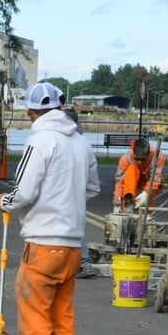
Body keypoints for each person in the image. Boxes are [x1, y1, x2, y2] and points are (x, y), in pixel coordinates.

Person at [0, 82, 100, 335]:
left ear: (29, 111)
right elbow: (93, 187)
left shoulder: (39, 141)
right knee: (62, 317)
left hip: (43, 243)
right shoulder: (81, 143)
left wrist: (3, 202)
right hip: (71, 246)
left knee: (35, 319)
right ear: (60, 106)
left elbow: (23, 192)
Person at [59, 93, 99, 279]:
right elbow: (93, 186)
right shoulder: (83, 144)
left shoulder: (54, 141)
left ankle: (78, 262)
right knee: (75, 228)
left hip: (61, 194)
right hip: (74, 195)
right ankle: (82, 263)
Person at [113, 136, 166, 213]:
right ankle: (128, 200)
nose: (139, 162)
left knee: (148, 203)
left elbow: (155, 179)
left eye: (143, 159)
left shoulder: (158, 157)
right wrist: (117, 196)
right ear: (133, 153)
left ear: (148, 154)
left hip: (149, 181)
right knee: (131, 168)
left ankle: (146, 218)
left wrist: (146, 194)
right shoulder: (125, 158)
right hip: (132, 179)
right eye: (137, 159)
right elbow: (119, 181)